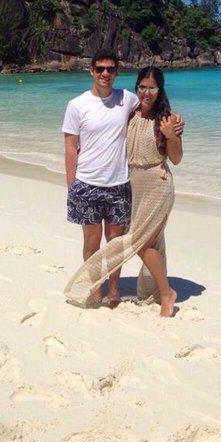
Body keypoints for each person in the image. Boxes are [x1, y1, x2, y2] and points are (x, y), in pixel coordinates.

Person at [64, 66, 183, 317]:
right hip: (131, 183)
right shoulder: (129, 112)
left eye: (152, 88)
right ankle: (151, 289)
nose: (146, 93)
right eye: (142, 87)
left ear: (160, 90)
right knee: (146, 240)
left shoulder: (167, 119)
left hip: (157, 183)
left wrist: (171, 136)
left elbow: (176, 159)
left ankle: (166, 293)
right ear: (136, 88)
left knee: (140, 241)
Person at [62, 49, 140, 306]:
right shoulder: (77, 105)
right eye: (100, 69)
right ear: (91, 71)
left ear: (117, 72)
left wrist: (173, 120)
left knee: (115, 244)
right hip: (87, 184)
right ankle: (95, 287)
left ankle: (114, 288)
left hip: (119, 184)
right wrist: (71, 184)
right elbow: (70, 146)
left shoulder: (127, 99)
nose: (105, 73)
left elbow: (151, 107)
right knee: (92, 243)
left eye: (110, 69)